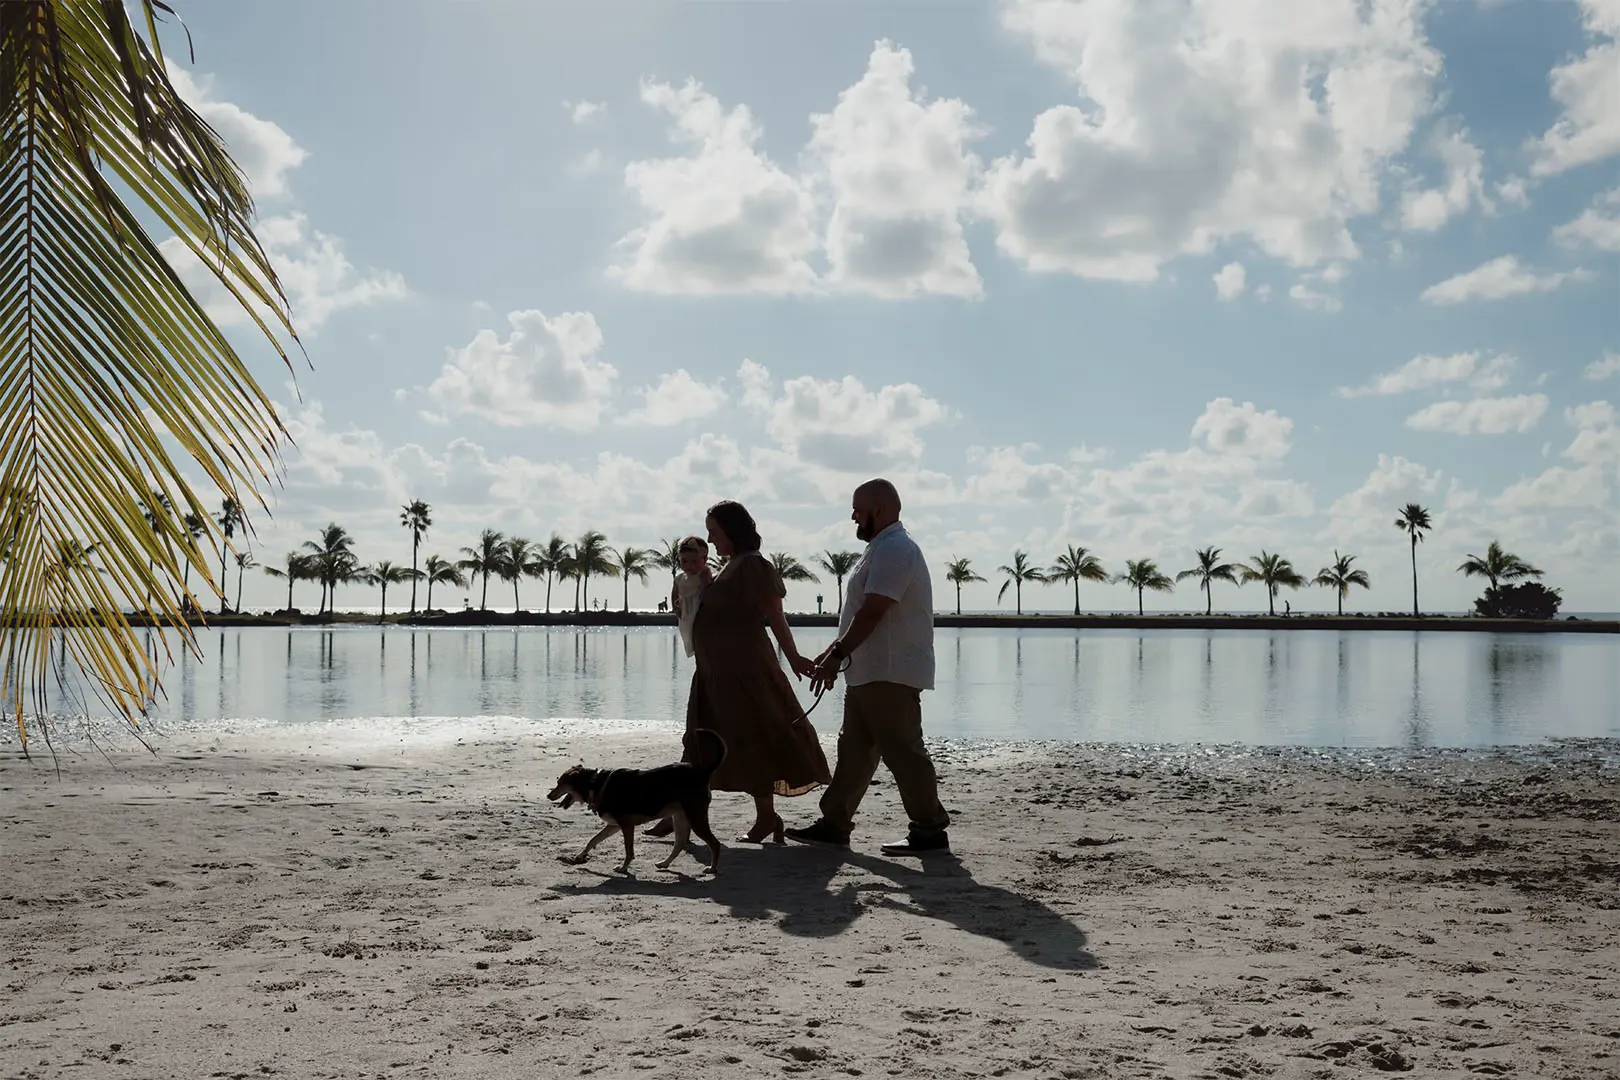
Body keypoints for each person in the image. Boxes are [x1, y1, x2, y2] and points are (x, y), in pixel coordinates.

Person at [785, 479, 951, 856]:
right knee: (855, 752)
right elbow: (859, 615)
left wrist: (839, 653)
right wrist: (834, 654)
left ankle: (929, 829)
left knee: (903, 752)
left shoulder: (896, 549)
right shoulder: (880, 549)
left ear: (879, 510)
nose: (853, 516)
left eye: (858, 509)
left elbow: (875, 610)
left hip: (889, 671)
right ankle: (834, 824)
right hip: (869, 670)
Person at [654, 500, 831, 844]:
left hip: (745, 670)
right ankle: (677, 811)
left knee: (752, 739)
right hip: (713, 672)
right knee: (699, 741)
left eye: (714, 532)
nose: (711, 540)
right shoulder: (727, 567)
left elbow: (774, 614)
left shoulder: (753, 567)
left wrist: (793, 657)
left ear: (733, 530)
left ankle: (766, 817)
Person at [671, 535, 712, 658]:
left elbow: (708, 589)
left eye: (694, 561)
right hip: (686, 613)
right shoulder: (680, 579)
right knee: (689, 635)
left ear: (704, 560)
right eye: (684, 561)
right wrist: (675, 607)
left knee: (702, 638)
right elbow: (674, 594)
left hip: (699, 610)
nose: (690, 566)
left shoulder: (703, 574)